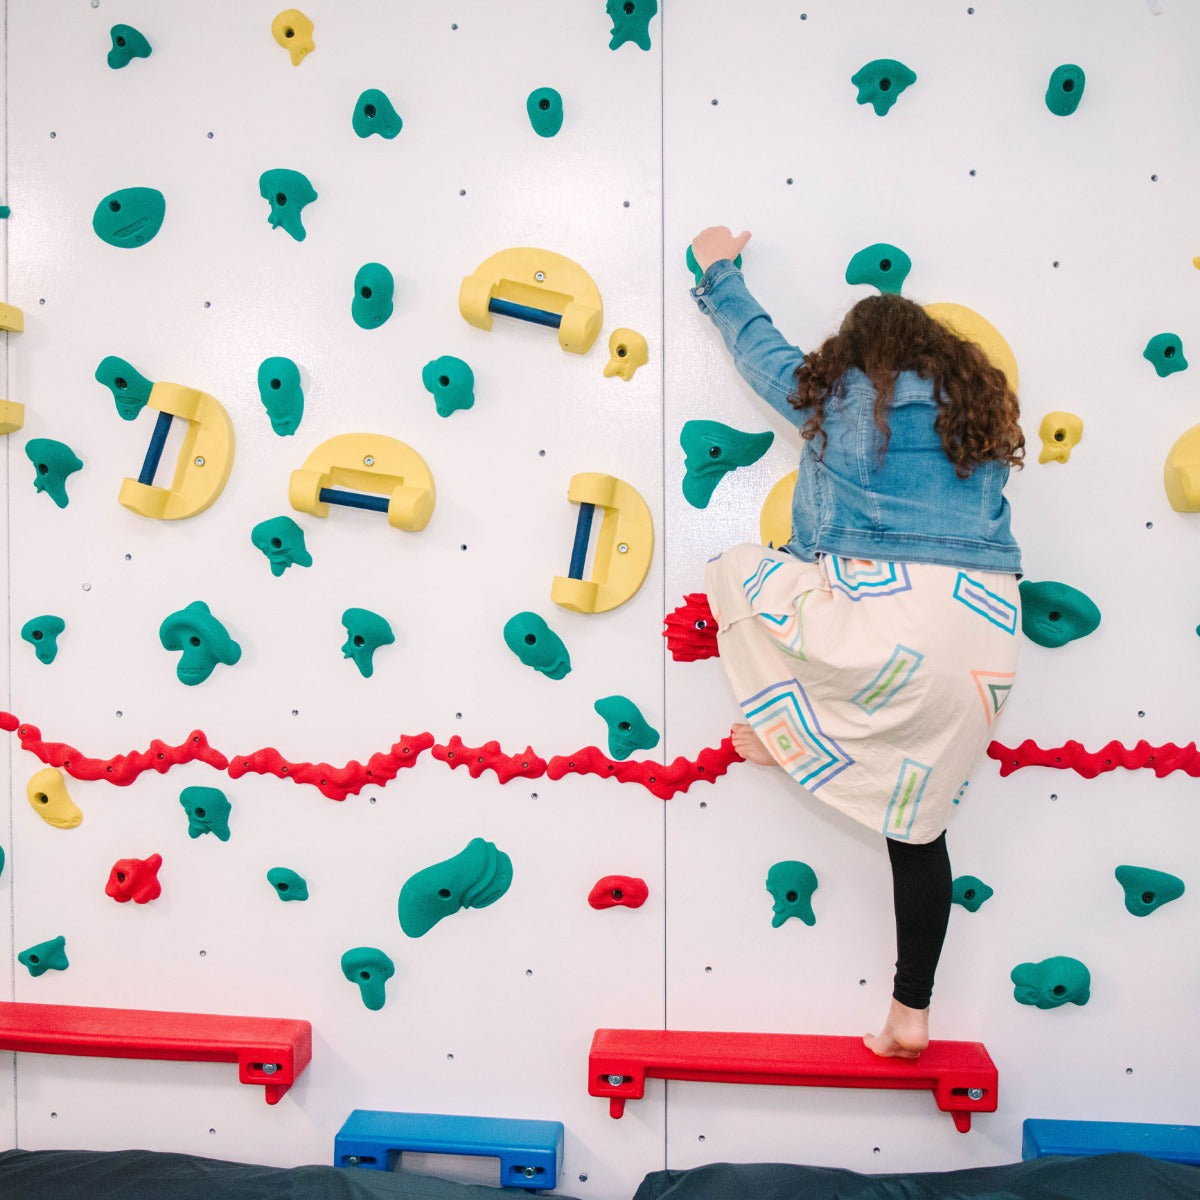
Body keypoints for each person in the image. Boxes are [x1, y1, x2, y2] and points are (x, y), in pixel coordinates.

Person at [689, 226, 1024, 1058]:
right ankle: (911, 1012)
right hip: (984, 638)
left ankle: (789, 733)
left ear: (857, 352)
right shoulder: (978, 415)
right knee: (916, 827)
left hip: (888, 619)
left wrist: (717, 267)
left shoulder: (838, 394)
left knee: (740, 569)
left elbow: (758, 346)